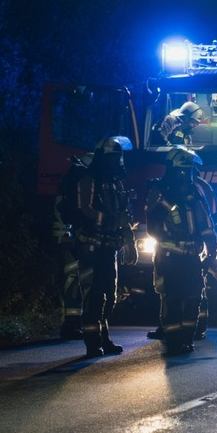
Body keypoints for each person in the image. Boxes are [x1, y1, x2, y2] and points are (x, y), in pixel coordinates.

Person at [145, 146, 217, 356]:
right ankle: (174, 340)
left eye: (189, 171)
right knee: (172, 299)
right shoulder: (160, 194)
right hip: (169, 257)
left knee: (193, 298)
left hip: (192, 257)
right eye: (185, 171)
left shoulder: (196, 195)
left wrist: (212, 254)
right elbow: (152, 229)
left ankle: (187, 339)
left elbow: (207, 227)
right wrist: (166, 208)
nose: (187, 176)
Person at [72, 136, 136, 358]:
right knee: (94, 296)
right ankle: (92, 343)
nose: (117, 162)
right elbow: (85, 210)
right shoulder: (89, 180)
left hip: (110, 249)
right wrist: (110, 221)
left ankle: (104, 338)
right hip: (91, 248)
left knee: (111, 295)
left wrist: (131, 242)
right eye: (112, 158)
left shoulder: (116, 183)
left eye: (118, 157)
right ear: (103, 159)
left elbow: (125, 215)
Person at [54, 153, 91, 340]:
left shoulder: (70, 183)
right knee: (72, 280)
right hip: (73, 241)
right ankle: (70, 325)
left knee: (73, 280)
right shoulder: (77, 185)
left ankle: (73, 324)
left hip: (69, 239)